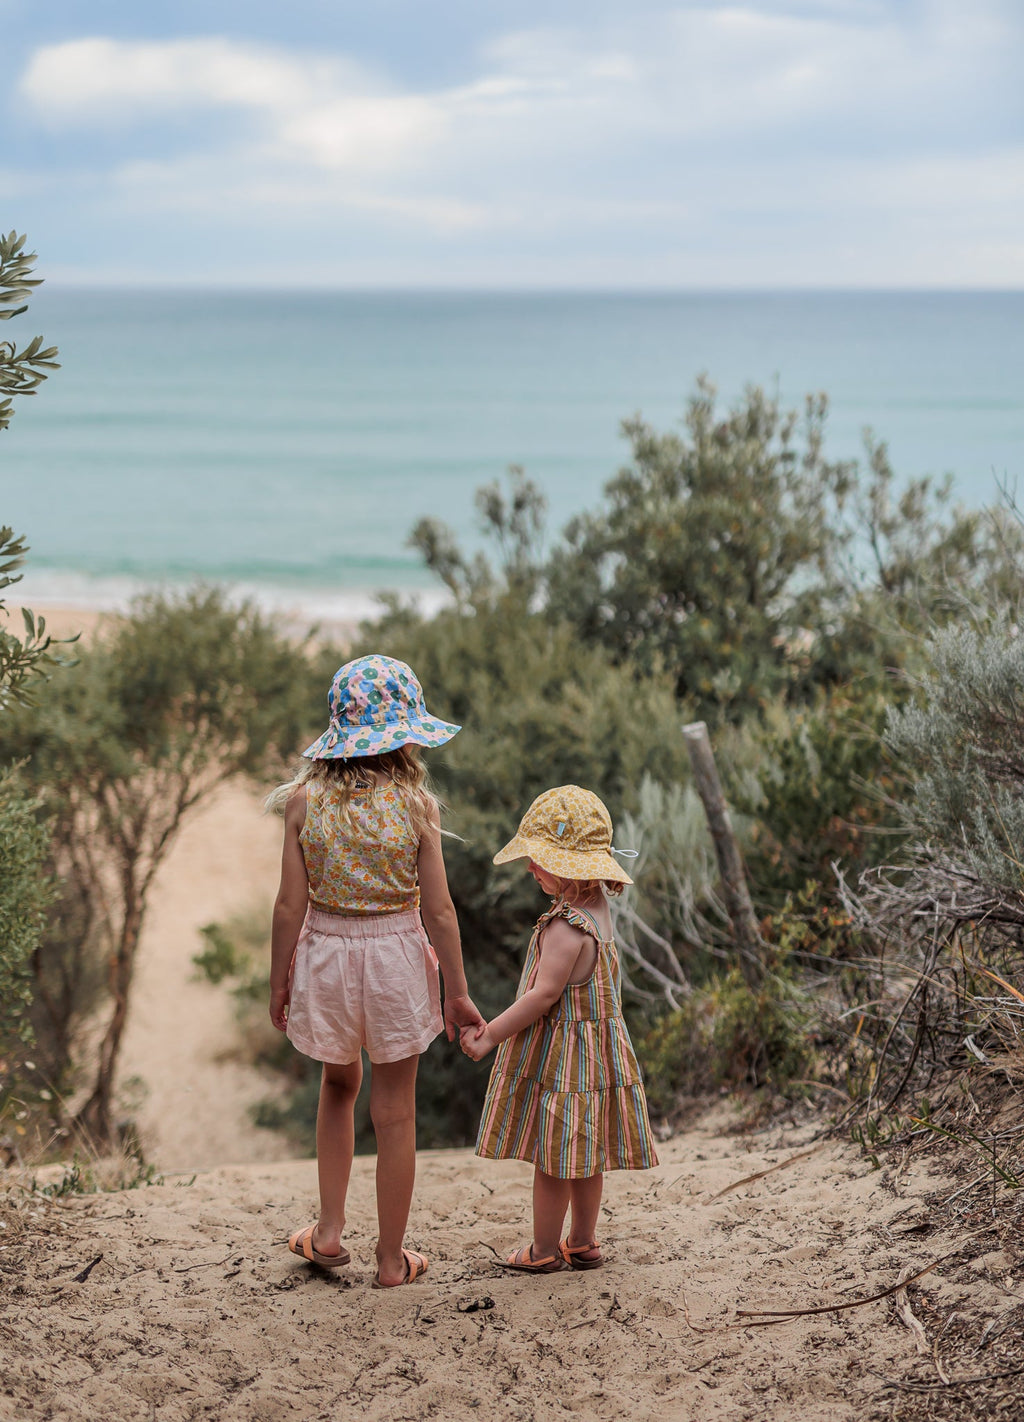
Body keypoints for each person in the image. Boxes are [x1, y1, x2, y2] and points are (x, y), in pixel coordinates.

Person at [267, 654, 483, 1287]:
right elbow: (440, 910)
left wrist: (279, 979)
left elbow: (288, 905)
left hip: (328, 955)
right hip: (394, 959)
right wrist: (457, 992)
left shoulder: (305, 801)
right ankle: (391, 1262)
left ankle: (329, 1233)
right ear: (404, 736)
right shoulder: (417, 806)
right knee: (397, 1113)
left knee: (338, 1088)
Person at [462, 785, 659, 1273]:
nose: (531, 868)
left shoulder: (565, 927)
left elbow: (542, 996)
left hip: (566, 1060)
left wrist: (489, 1036)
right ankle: (583, 1240)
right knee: (586, 1153)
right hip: (599, 1055)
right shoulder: (599, 913)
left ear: (569, 864)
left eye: (539, 859)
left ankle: (544, 1249)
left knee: (552, 1157)